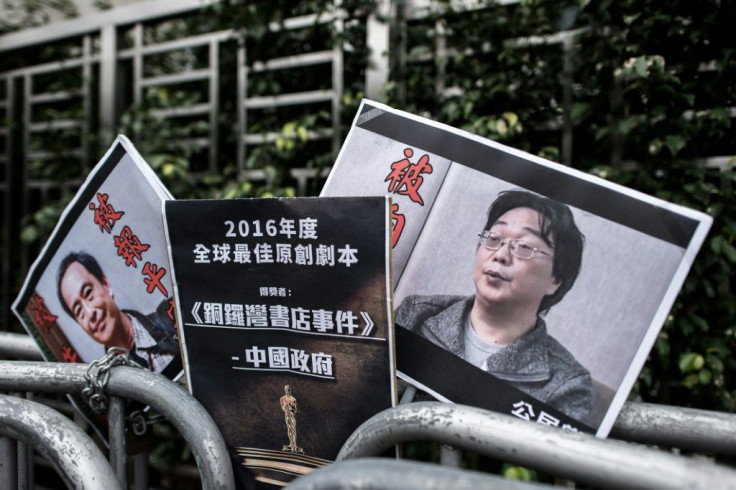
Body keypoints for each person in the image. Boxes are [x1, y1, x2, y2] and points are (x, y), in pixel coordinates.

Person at [395, 190, 593, 423]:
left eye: (524, 246)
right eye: (494, 238)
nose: (500, 254)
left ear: (555, 280)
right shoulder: (417, 313)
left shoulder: (567, 384)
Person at [56, 251, 179, 373]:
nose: (89, 313)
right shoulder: (108, 388)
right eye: (78, 311)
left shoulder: (172, 317)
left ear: (105, 284)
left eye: (88, 293)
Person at [280, 385, 302, 453]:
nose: (289, 390)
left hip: (292, 416)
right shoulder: (282, 399)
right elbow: (283, 408)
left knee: (294, 429)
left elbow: (295, 410)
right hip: (287, 415)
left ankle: (294, 443)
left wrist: (292, 407)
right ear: (285, 390)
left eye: (289, 389)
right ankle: (291, 443)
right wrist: (287, 405)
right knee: (289, 428)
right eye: (287, 389)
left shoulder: (293, 399)